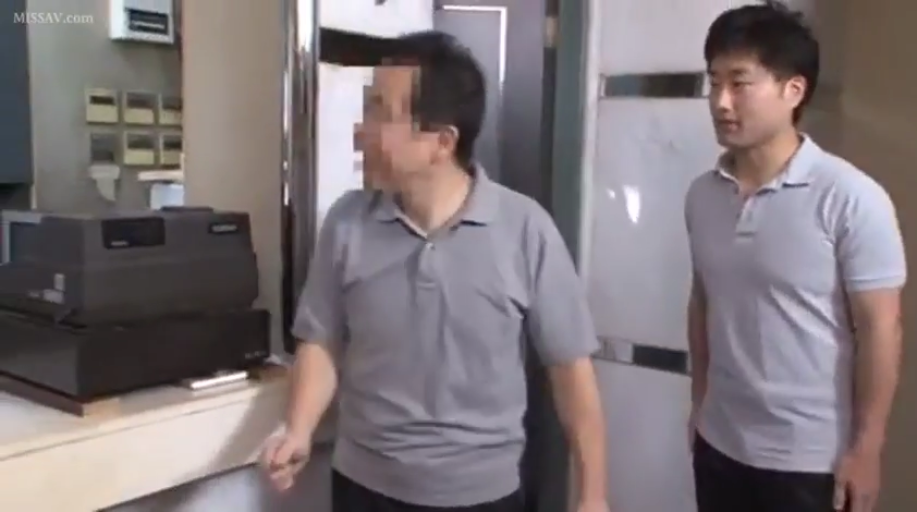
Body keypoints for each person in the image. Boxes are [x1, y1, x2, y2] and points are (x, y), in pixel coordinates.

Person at [260, 31, 609, 512]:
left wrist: (592, 496)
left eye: (381, 112)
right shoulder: (347, 222)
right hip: (363, 489)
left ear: (442, 142)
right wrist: (298, 429)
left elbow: (571, 372)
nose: (361, 131)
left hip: (482, 496)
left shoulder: (526, 229)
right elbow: (322, 339)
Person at [685, 3, 907, 512]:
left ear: (794, 90)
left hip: (811, 460)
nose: (721, 101)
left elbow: (881, 329)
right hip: (719, 444)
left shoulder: (850, 197)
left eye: (740, 83)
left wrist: (867, 449)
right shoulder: (702, 194)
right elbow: (703, 301)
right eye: (714, 82)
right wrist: (699, 404)